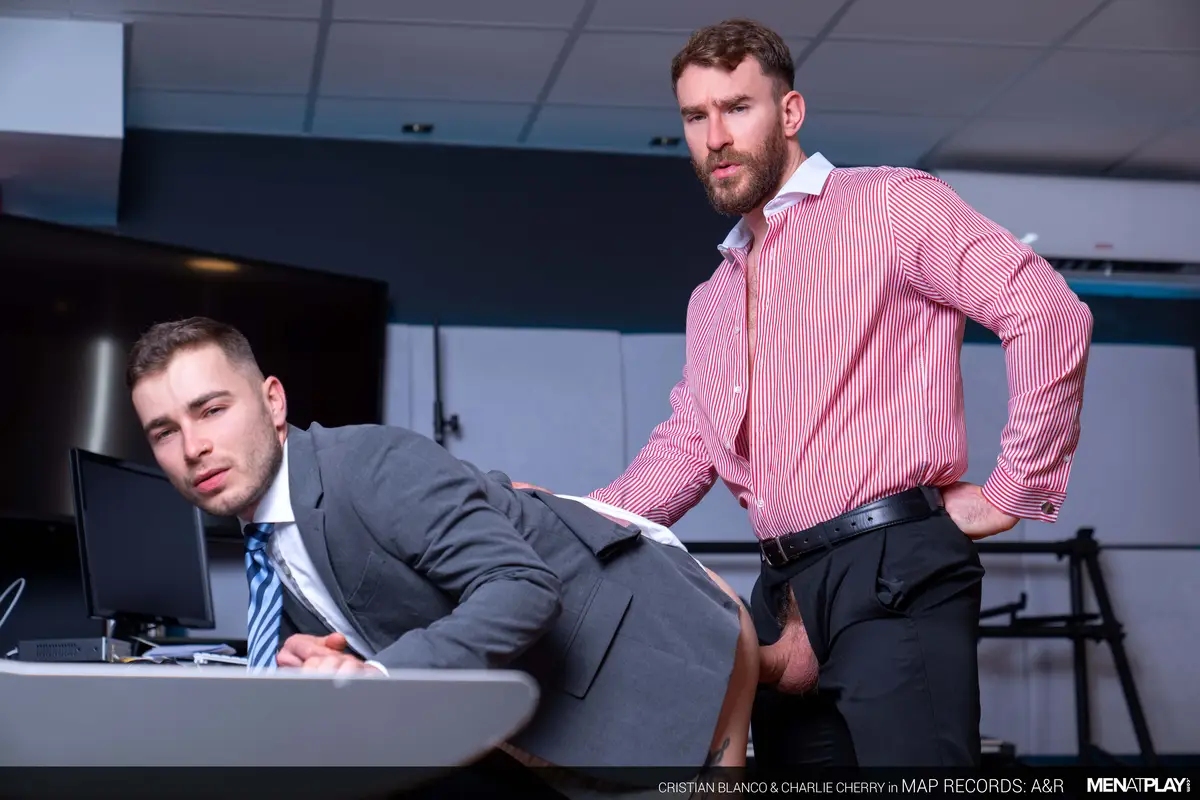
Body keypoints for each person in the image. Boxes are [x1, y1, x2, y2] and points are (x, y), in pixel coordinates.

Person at [581, 18, 1094, 768]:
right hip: (783, 588)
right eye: (695, 116)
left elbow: (1047, 312)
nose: (715, 137)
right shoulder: (714, 299)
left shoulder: (889, 205)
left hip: (892, 565)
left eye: (737, 107)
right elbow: (688, 447)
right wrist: (571, 524)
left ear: (789, 112)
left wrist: (1014, 492)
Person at [124, 315, 761, 791]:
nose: (193, 447)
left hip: (658, 672)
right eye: (165, 432)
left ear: (273, 401)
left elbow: (521, 586)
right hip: (532, 728)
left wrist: (377, 678)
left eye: (211, 410)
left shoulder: (367, 464)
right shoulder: (268, 545)